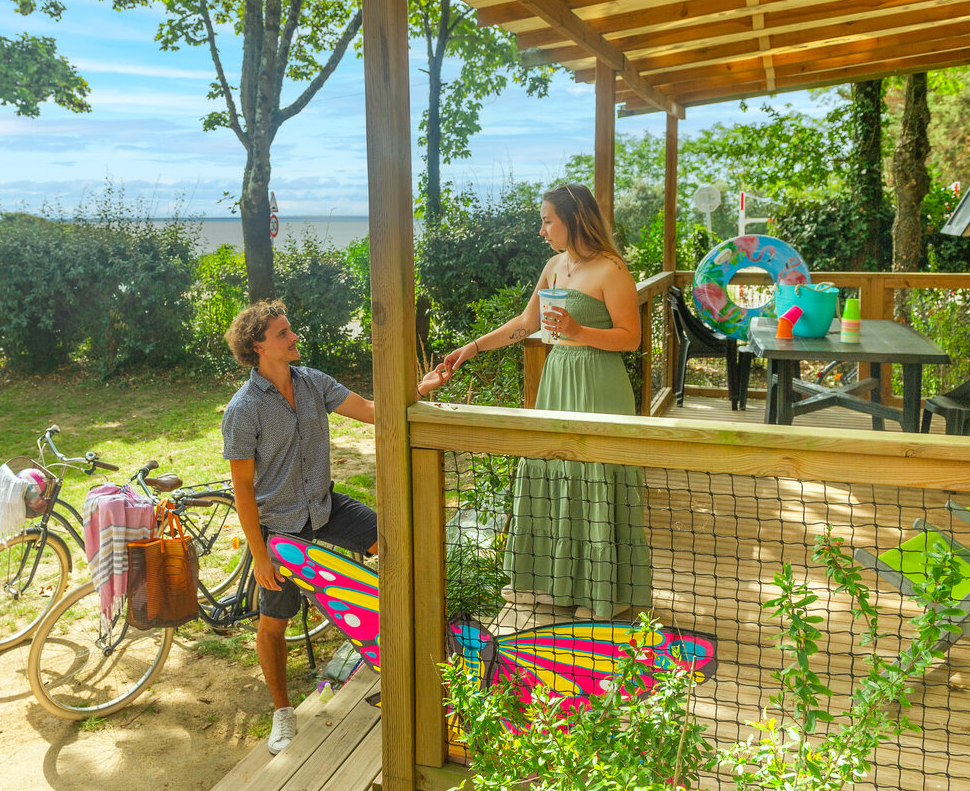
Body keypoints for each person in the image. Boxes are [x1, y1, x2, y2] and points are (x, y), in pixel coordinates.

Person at [221, 299, 445, 756]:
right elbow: (242, 489)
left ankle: (404, 659)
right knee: (274, 621)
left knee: (398, 544)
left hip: (325, 507)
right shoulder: (243, 409)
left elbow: (374, 410)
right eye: (283, 334)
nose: (294, 337)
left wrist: (421, 389)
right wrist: (260, 555)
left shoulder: (312, 382)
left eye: (290, 329)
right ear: (258, 346)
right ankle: (283, 712)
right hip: (279, 530)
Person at [441, 183, 652, 621]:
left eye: (547, 221)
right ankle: (554, 587)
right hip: (557, 381)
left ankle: (602, 594)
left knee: (595, 478)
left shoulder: (611, 269)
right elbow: (526, 322)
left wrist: (578, 332)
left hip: (598, 385)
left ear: (573, 220)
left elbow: (631, 338)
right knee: (551, 470)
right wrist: (472, 348)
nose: (542, 230)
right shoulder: (554, 265)